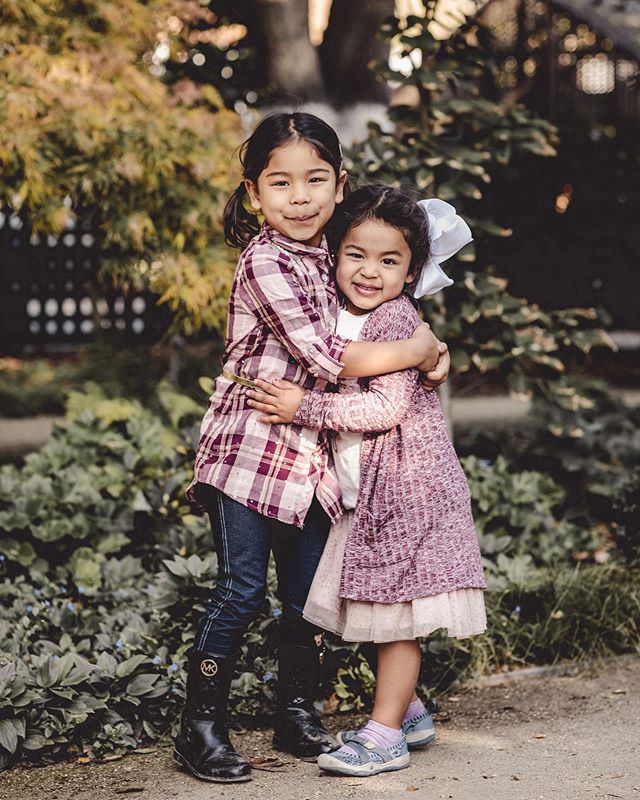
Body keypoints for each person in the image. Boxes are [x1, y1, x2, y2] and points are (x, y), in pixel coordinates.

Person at [174, 114, 450, 784]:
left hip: (316, 456)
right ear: (254, 194)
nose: (300, 197)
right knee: (241, 589)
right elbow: (326, 354)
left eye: (315, 180)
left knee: (304, 598)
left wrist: (432, 346)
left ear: (338, 184)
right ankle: (200, 726)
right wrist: (417, 350)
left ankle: (294, 710)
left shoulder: (339, 250)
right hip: (250, 449)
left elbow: (385, 295)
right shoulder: (264, 261)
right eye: (281, 182)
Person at [245, 185, 487, 777]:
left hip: (408, 490)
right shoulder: (334, 314)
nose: (370, 271)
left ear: (411, 273)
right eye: (357, 254)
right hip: (370, 493)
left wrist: (303, 407)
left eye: (389, 261)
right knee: (370, 613)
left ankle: (384, 736)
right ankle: (408, 712)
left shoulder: (394, 318)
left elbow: (384, 410)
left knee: (395, 618)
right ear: (334, 253)